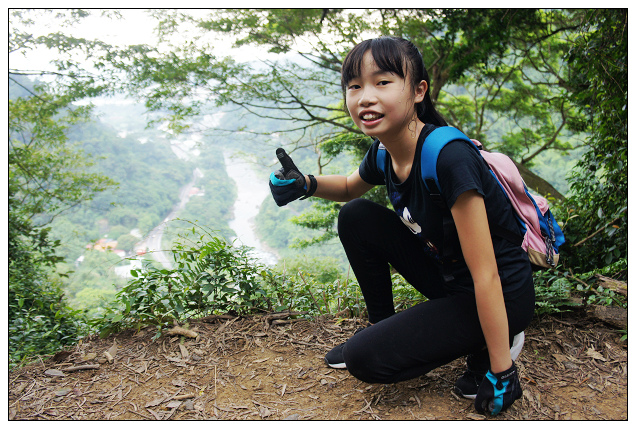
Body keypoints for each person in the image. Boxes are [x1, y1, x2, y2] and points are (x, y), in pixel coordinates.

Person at [268, 36, 534, 416]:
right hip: (449, 275)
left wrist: (501, 371)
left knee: (365, 360)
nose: (365, 97)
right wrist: (304, 184)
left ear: (418, 91)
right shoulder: (384, 151)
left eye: (382, 82)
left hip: (499, 293)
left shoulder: (449, 159)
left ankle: (499, 344)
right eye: (355, 86)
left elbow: (487, 275)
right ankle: (383, 326)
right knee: (357, 215)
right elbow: (347, 188)